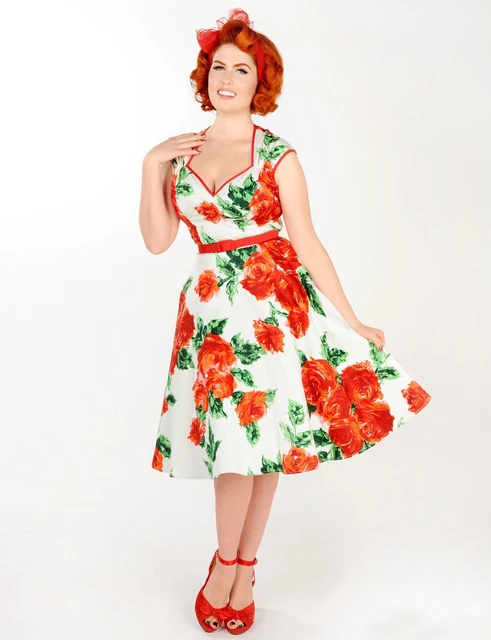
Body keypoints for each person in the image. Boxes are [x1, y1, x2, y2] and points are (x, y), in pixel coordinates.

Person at [138, 7, 432, 635]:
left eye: (241, 70)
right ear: (205, 75)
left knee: (261, 441)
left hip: (271, 309)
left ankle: (237, 567)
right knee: (233, 448)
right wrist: (150, 164)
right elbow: (159, 241)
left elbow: (307, 242)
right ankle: (231, 563)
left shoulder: (277, 155)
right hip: (210, 314)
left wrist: (352, 319)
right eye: (219, 67)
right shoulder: (179, 153)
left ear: (260, 84)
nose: (227, 79)